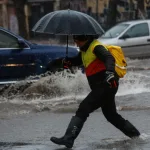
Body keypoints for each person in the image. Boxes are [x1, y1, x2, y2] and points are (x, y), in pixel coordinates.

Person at [50, 35, 140, 148]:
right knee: (111, 115)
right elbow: (77, 61)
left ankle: (68, 138)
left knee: (83, 108)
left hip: (106, 85)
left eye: (77, 41)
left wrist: (110, 72)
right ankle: (135, 135)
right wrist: (66, 62)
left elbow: (109, 58)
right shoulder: (84, 50)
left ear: (85, 39)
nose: (76, 44)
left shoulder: (96, 47)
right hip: (103, 87)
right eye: (74, 41)